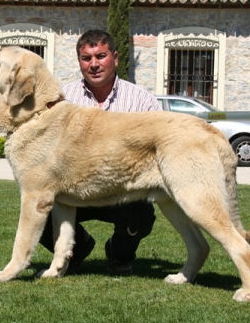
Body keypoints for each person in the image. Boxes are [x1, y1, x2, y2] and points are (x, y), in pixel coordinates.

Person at [39, 30, 161, 275]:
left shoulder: (142, 101)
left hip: (120, 193)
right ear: (79, 62)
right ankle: (77, 250)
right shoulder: (61, 100)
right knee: (38, 212)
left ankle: (119, 255)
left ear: (115, 58)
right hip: (73, 192)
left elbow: (158, 146)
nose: (93, 64)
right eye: (86, 58)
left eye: (100, 56)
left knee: (142, 213)